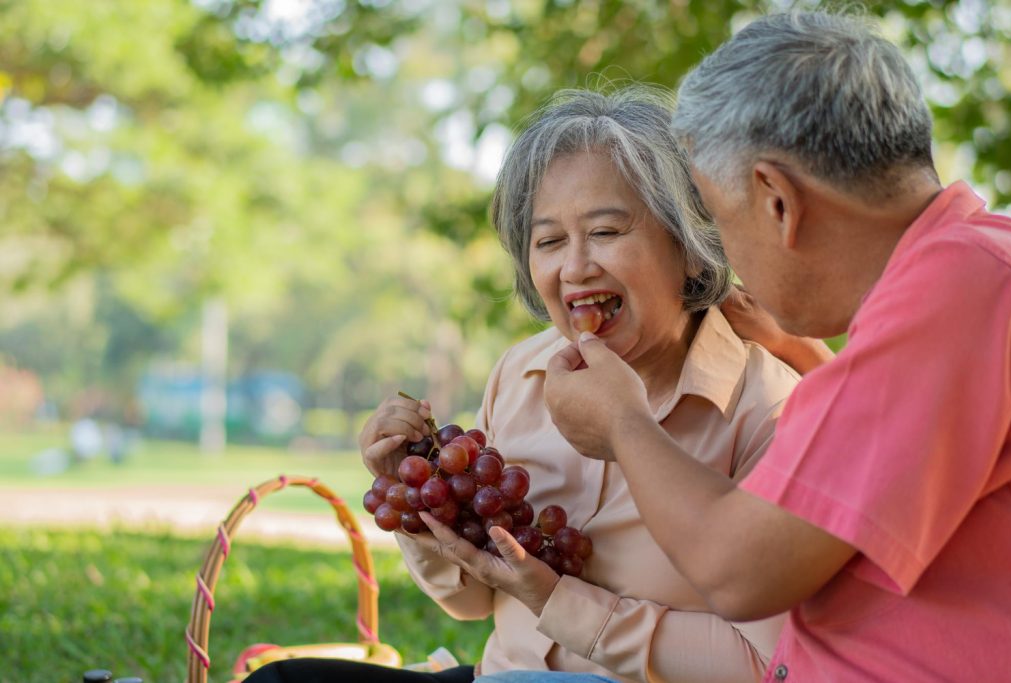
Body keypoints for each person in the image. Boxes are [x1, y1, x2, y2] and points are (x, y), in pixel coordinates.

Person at [502, 11, 1011, 683]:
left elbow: (737, 569)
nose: (723, 258)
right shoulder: (974, 271)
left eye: (719, 220)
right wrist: (805, 352)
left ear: (777, 199)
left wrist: (624, 423)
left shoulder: (956, 292)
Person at [246, 86, 810, 682]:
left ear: (691, 248)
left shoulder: (765, 409)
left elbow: (765, 665)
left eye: (607, 231)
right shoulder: (521, 373)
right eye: (548, 242)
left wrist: (557, 602)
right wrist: (415, 499)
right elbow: (468, 604)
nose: (575, 267)